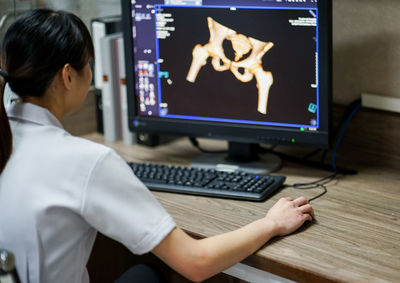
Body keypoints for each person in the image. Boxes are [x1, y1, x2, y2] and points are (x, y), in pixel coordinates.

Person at [0, 9, 315, 283]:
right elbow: (195, 262)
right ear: (68, 76)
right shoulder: (85, 161)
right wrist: (271, 223)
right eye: (89, 62)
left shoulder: (5, 137)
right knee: (150, 274)